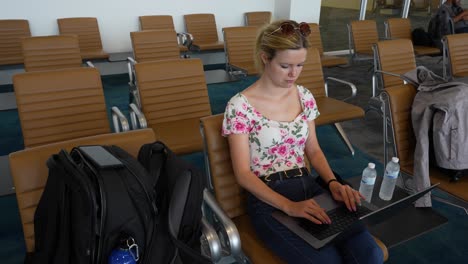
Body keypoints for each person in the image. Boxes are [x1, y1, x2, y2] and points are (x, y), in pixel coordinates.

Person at [221, 20, 383, 263]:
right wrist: (288, 206)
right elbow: (243, 174)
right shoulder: (239, 106)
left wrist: (332, 183)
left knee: (370, 253)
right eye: (285, 65)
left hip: (308, 186)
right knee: (327, 261)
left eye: (299, 65)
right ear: (265, 58)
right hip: (269, 198)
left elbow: (314, 150)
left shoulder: (304, 96)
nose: (293, 74)